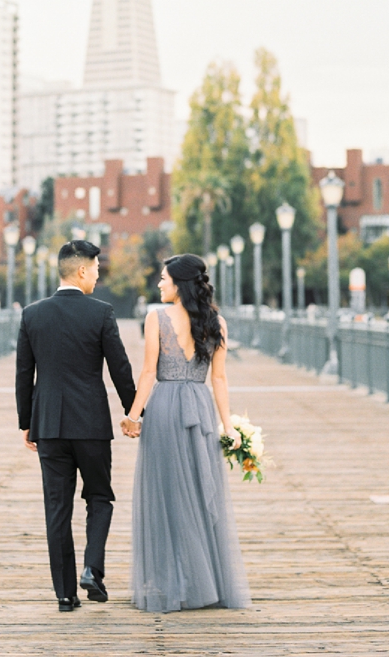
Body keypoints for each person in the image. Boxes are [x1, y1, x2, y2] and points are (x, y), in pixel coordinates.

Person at [120, 254, 250, 612]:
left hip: (164, 408)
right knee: (198, 492)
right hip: (200, 406)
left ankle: (170, 582)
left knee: (164, 495)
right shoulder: (215, 322)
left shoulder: (156, 318)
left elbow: (148, 372)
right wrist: (228, 426)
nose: (160, 284)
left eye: (164, 278)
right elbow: (219, 379)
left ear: (179, 283)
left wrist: (133, 417)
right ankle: (203, 582)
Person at [15, 238, 136, 612]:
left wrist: (26, 422)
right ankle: (92, 570)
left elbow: (24, 374)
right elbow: (120, 369)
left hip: (48, 424)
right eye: (97, 270)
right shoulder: (101, 313)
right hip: (91, 424)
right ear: (82, 270)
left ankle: (65, 594)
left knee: (57, 507)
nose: (98, 277)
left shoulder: (32, 315)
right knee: (99, 496)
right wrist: (135, 412)